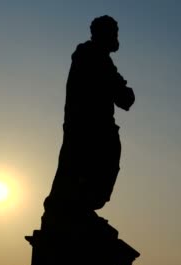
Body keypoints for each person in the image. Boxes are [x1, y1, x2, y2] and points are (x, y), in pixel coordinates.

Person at [42, 15, 135, 227]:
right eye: (113, 32)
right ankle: (68, 210)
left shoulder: (101, 58)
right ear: (102, 34)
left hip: (96, 127)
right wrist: (121, 90)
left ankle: (78, 208)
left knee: (95, 168)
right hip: (88, 128)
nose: (116, 37)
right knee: (83, 168)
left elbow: (122, 97)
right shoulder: (90, 55)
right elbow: (123, 95)